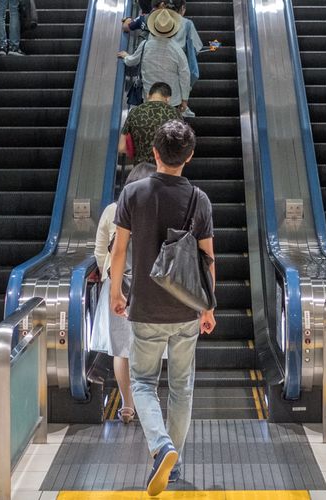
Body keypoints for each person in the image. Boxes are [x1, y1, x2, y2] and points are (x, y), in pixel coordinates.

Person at [110, 120, 216, 495]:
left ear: (154, 153)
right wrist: (208, 308)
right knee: (181, 387)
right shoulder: (199, 199)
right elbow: (207, 259)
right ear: (189, 156)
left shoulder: (133, 193)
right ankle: (172, 466)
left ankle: (161, 447)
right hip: (186, 309)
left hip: (145, 308)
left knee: (141, 382)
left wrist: (115, 294)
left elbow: (119, 250)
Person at [92, 162, 157, 424]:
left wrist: (109, 274)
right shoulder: (157, 211)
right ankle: (148, 403)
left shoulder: (112, 210)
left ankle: (127, 405)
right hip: (151, 287)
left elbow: (100, 250)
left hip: (118, 286)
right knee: (150, 347)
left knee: (122, 350)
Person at [118, 8, 191, 114]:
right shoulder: (177, 50)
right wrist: (184, 100)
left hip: (149, 98)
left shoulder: (145, 45)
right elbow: (185, 76)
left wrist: (125, 56)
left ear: (154, 28)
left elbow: (132, 61)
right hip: (172, 100)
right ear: (173, 30)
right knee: (168, 128)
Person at [118, 82, 180, 163]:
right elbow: (180, 144)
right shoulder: (174, 113)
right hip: (165, 166)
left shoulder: (134, 112)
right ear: (168, 98)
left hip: (141, 168)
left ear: (148, 95)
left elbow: (121, 147)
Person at [169, 0, 202, 118]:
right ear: (183, 8)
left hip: (161, 57)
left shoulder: (160, 21)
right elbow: (196, 46)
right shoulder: (187, 23)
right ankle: (182, 106)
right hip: (180, 59)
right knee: (184, 79)